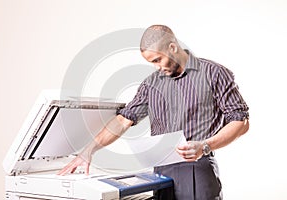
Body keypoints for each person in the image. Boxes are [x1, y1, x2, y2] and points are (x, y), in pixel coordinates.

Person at [58, 25, 249, 199]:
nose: (157, 67)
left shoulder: (214, 73)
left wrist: (205, 146)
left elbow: (241, 121)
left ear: (172, 47)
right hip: (162, 172)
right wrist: (88, 151)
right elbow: (123, 120)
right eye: (152, 62)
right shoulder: (151, 83)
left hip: (197, 168)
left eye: (158, 59)